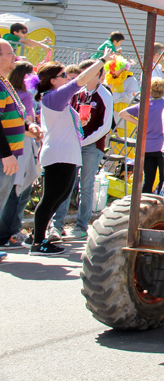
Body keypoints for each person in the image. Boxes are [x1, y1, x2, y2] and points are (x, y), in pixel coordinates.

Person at [30, 51, 111, 256]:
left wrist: (80, 124)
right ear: (53, 81)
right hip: (59, 155)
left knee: (59, 197)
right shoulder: (54, 96)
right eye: (64, 75)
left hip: (66, 154)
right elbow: (81, 80)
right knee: (51, 198)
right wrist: (101, 61)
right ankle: (38, 241)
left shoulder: (57, 100)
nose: (68, 78)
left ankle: (40, 237)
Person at [48, 58, 114, 241]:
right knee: (67, 185)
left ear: (99, 75)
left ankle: (81, 226)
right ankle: (57, 226)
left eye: (90, 73)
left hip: (92, 147)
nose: (84, 77)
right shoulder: (78, 93)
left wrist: (83, 141)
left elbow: (105, 127)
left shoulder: (105, 95)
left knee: (86, 185)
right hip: (74, 144)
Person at [0, 45, 43, 260]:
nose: (14, 57)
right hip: (4, 155)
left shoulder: (5, 82)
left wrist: (28, 127)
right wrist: (5, 154)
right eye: (9, 54)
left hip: (10, 153)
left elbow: (14, 114)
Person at [120, 78, 164, 194]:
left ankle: (143, 205)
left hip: (146, 147)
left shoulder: (144, 105)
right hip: (163, 147)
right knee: (163, 180)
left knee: (148, 180)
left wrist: (139, 123)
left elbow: (123, 113)